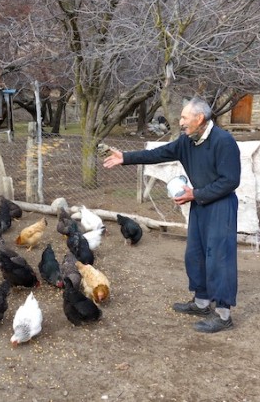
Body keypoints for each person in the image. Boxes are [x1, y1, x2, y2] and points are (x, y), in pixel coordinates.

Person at [103, 97, 241, 333]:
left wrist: (195, 193)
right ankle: (201, 303)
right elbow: (160, 153)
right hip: (199, 203)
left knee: (219, 258)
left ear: (199, 119)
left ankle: (223, 315)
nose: (181, 122)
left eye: (185, 118)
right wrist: (125, 158)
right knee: (195, 254)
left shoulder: (223, 141)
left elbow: (230, 181)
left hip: (220, 207)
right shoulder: (188, 141)